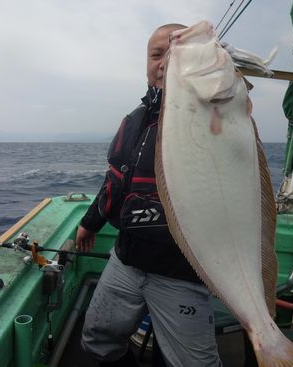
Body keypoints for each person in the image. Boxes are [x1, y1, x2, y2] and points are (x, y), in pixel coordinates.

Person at [76, 23, 222, 367]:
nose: (164, 63)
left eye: (176, 55)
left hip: (181, 270)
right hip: (126, 260)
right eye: (157, 55)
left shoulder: (213, 118)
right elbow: (115, 179)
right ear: (146, 64)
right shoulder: (134, 120)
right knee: (96, 339)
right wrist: (90, 223)